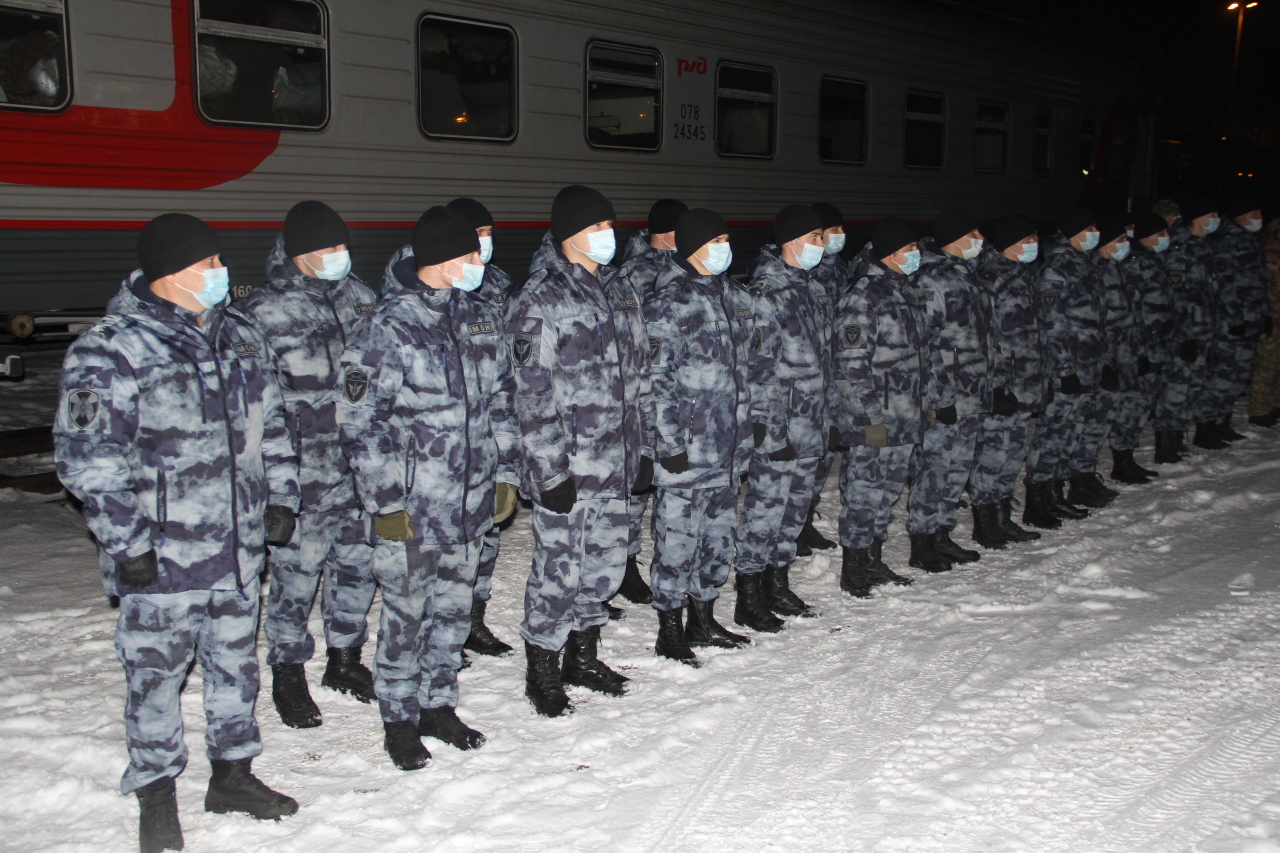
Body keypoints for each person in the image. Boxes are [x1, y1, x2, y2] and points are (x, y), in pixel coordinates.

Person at [54, 214, 300, 853]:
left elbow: (273, 425)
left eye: (220, 262)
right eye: (207, 264)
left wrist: (281, 498)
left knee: (234, 664)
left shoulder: (241, 336)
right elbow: (89, 458)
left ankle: (232, 775)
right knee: (156, 674)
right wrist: (126, 543)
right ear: (168, 274)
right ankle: (156, 792)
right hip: (162, 555)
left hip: (239, 548)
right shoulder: (111, 349)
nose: (222, 274)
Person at [338, 207, 520, 769]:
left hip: (468, 504)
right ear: (440, 259)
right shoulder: (387, 327)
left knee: (452, 612)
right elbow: (358, 422)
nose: (478, 264)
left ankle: (439, 703)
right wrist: (385, 502)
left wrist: (506, 471)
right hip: (413, 510)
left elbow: (503, 401)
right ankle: (398, 718)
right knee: (405, 615)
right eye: (468, 256)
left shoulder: (481, 318)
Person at [505, 185, 655, 717]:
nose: (607, 236)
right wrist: (549, 471)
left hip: (617, 462)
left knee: (606, 565)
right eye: (596, 227)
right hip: (568, 466)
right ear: (571, 233)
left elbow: (640, 379)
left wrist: (645, 451)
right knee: (558, 570)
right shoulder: (540, 298)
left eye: (608, 227)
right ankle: (542, 667)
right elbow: (530, 392)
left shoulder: (619, 291)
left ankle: (583, 656)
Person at [235, 201, 379, 730]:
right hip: (303, 476)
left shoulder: (362, 299)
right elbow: (256, 408)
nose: (340, 256)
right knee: (296, 578)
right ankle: (288, 671)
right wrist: (275, 487)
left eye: (344, 247)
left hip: (360, 469)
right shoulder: (263, 314)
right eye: (328, 249)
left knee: (358, 568)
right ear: (299, 254)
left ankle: (345, 659)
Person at [643, 208, 755, 665]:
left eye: (727, 238)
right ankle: (670, 629)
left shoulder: (735, 297)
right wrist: (668, 444)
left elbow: (747, 376)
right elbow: (655, 381)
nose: (725, 247)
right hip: (686, 455)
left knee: (717, 539)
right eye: (717, 240)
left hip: (727, 451)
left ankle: (703, 619)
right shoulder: (668, 305)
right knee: (677, 541)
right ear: (692, 247)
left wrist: (747, 434)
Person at [736, 204, 835, 629]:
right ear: (792, 241)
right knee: (766, 511)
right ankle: (750, 592)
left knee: (795, 510)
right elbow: (757, 371)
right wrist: (771, 432)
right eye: (816, 237)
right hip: (781, 429)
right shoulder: (765, 295)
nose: (823, 244)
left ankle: (778, 581)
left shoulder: (812, 289)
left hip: (812, 423)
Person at [832, 217, 928, 596]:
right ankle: (853, 568)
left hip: (903, 417)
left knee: (886, 493)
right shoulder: (863, 296)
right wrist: (869, 419)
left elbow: (918, 359)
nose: (916, 255)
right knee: (864, 494)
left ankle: (874, 560)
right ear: (890, 253)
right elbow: (851, 367)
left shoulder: (902, 291)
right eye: (909, 249)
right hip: (876, 421)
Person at [446, 196, 520, 658]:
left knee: (485, 540)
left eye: (490, 233)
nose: (485, 243)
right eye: (478, 235)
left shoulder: (498, 285)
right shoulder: (409, 291)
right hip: (444, 448)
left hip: (487, 436)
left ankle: (475, 618)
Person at [903, 209, 991, 571]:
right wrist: (940, 397)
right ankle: (922, 541)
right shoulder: (931, 281)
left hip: (972, 391)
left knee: (958, 468)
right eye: (973, 233)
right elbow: (927, 344)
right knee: (935, 467)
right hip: (947, 396)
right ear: (955, 238)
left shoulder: (966, 275)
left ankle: (942, 533)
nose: (980, 240)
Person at [613, 198, 687, 608]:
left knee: (669, 485)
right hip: (642, 390)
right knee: (636, 487)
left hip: (672, 392)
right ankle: (625, 562)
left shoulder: (685, 271)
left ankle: (665, 557)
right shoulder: (634, 274)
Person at [1023, 209, 1103, 525]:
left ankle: (1054, 494)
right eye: (1090, 227)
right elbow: (1053, 323)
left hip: (1088, 363)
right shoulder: (1056, 270)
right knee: (1053, 433)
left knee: (1070, 431)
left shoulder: (1085, 265)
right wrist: (1065, 368)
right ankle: (1036, 502)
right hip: (1066, 369)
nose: (1095, 232)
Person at [970, 216, 1047, 544]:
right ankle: (986, 522)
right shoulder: (993, 281)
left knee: (1012, 451)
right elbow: (990, 341)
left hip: (1024, 383)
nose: (1033, 244)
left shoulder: (1022, 276)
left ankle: (1002, 516)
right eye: (1026, 238)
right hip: (1003, 386)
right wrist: (998, 385)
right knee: (993, 452)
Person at [791, 201, 846, 558]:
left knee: (820, 462)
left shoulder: (836, 272)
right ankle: (798, 524)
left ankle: (805, 518)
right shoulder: (809, 276)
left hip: (828, 380)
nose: (839, 237)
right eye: (831, 232)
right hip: (802, 394)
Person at [1092, 215, 1155, 485]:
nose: (1125, 244)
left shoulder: (1117, 268)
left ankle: (1124, 459)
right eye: (1119, 240)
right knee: (1097, 421)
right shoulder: (1096, 273)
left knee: (1130, 408)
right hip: (1108, 359)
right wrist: (1106, 363)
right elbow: (1096, 326)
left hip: (1126, 353)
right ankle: (1082, 476)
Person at [1156, 198, 1222, 454]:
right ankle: (1166, 440)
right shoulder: (1180, 249)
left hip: (1202, 331)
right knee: (1177, 386)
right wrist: (1184, 337)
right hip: (1184, 335)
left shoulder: (1202, 246)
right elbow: (1176, 298)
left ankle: (1178, 435)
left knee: (1192, 386)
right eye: (1212, 213)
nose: (1217, 219)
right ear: (1200, 217)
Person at [1204, 198, 1271, 437]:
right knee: (1223, 375)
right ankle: (1207, 424)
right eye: (1254, 212)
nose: (1259, 217)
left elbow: (1258, 285)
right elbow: (1225, 287)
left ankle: (1222, 420)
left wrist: (1264, 315)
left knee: (1238, 376)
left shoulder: (1251, 242)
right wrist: (1234, 319)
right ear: (1240, 216)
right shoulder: (1228, 244)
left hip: (1249, 321)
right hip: (1230, 324)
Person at [1248, 217, 1280, 427]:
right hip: (1272, 318)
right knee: (1267, 365)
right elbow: (1267, 293)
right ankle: (1259, 410)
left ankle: (1272, 404)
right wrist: (1272, 321)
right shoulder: (1268, 254)